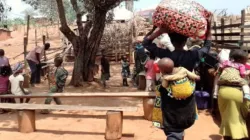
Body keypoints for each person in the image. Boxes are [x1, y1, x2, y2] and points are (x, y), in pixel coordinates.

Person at [141, 18, 212, 140]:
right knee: (180, 125)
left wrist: (159, 31)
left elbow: (146, 43)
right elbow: (207, 45)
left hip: (168, 95)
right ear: (185, 41)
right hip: (187, 93)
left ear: (171, 41)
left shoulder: (166, 55)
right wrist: (209, 27)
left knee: (172, 126)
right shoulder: (193, 55)